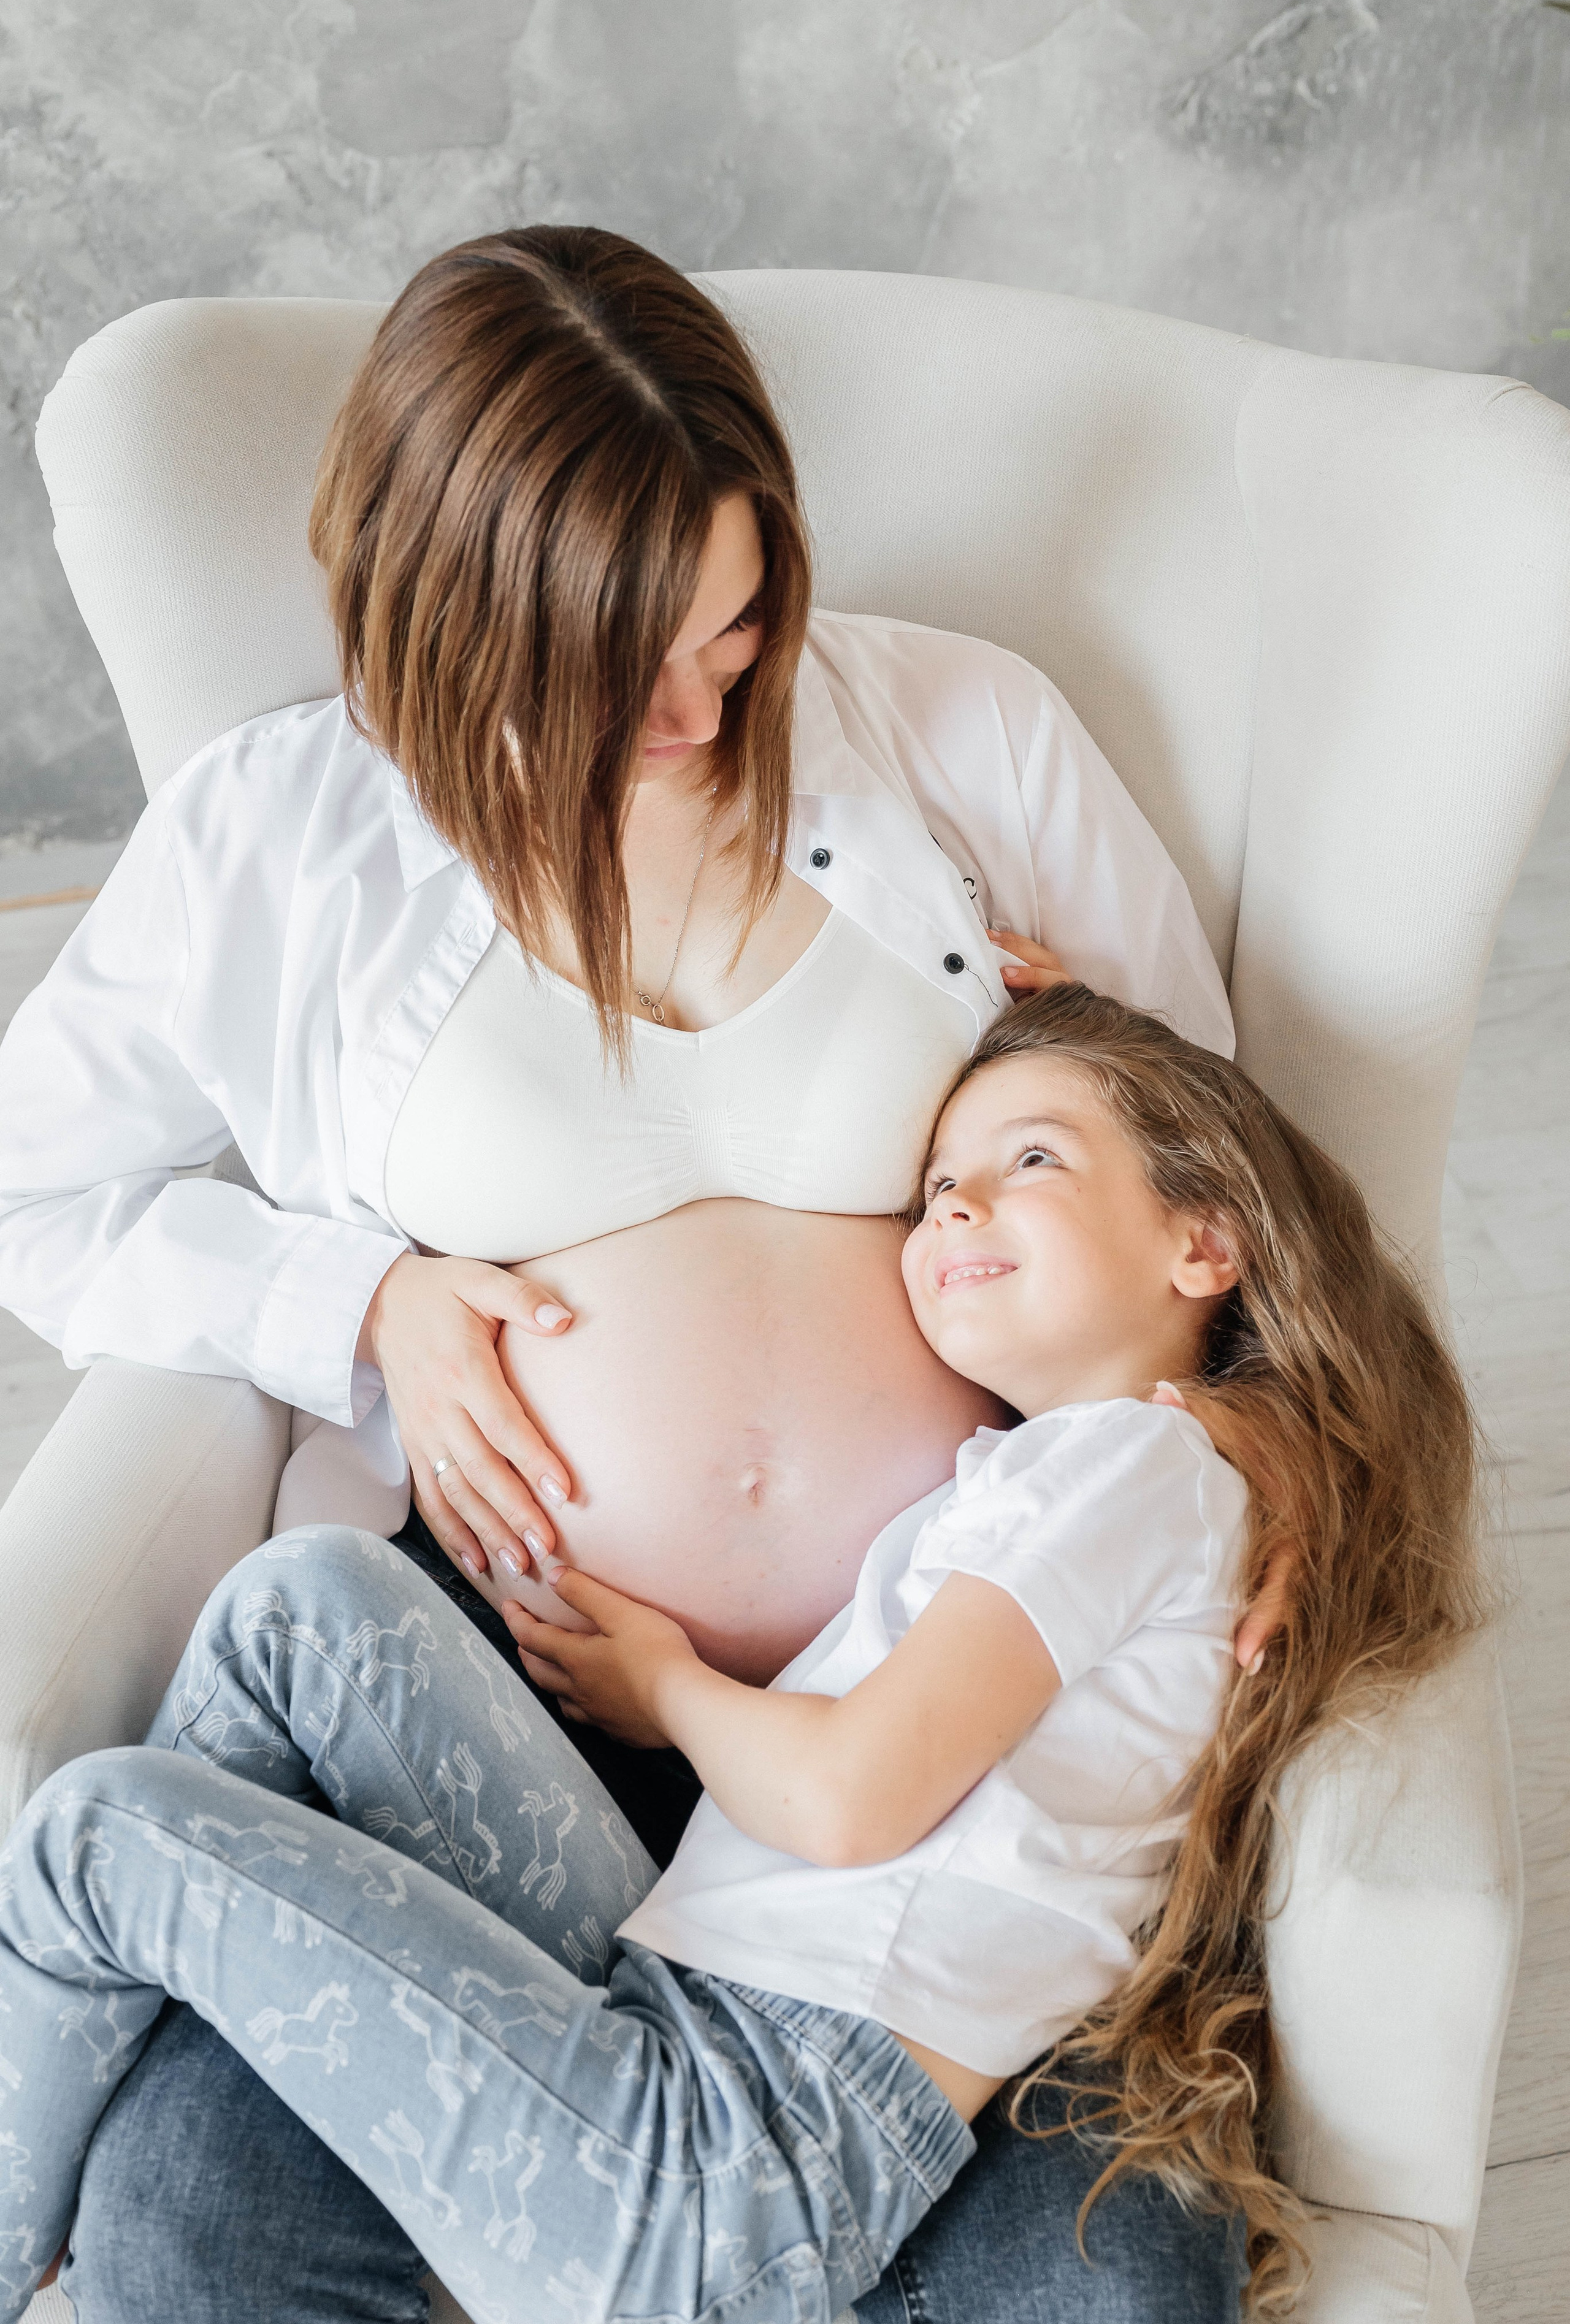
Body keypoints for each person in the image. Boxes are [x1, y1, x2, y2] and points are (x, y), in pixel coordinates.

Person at [0, 226, 1283, 2317]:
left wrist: (1276, 1451)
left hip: (934, 1774)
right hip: (504, 1705)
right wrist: (359, 1299)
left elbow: (1215, 1178)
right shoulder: (283, 833)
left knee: (1119, 2281)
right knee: (190, 2219)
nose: (698, 704)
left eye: (738, 620)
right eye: (621, 657)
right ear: (447, 622)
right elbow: (30, 1186)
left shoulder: (964, 735)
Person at [0, 985, 1482, 2324]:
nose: (956, 1206)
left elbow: (852, 1796)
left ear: (1202, 1241)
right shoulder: (1114, 1476)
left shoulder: (1135, 1475)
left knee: (92, 1836)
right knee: (304, 1608)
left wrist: (669, 1691)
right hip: (700, 2015)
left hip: (736, 2159)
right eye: (931, 1186)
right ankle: (165, 2007)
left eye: (1026, 1160)